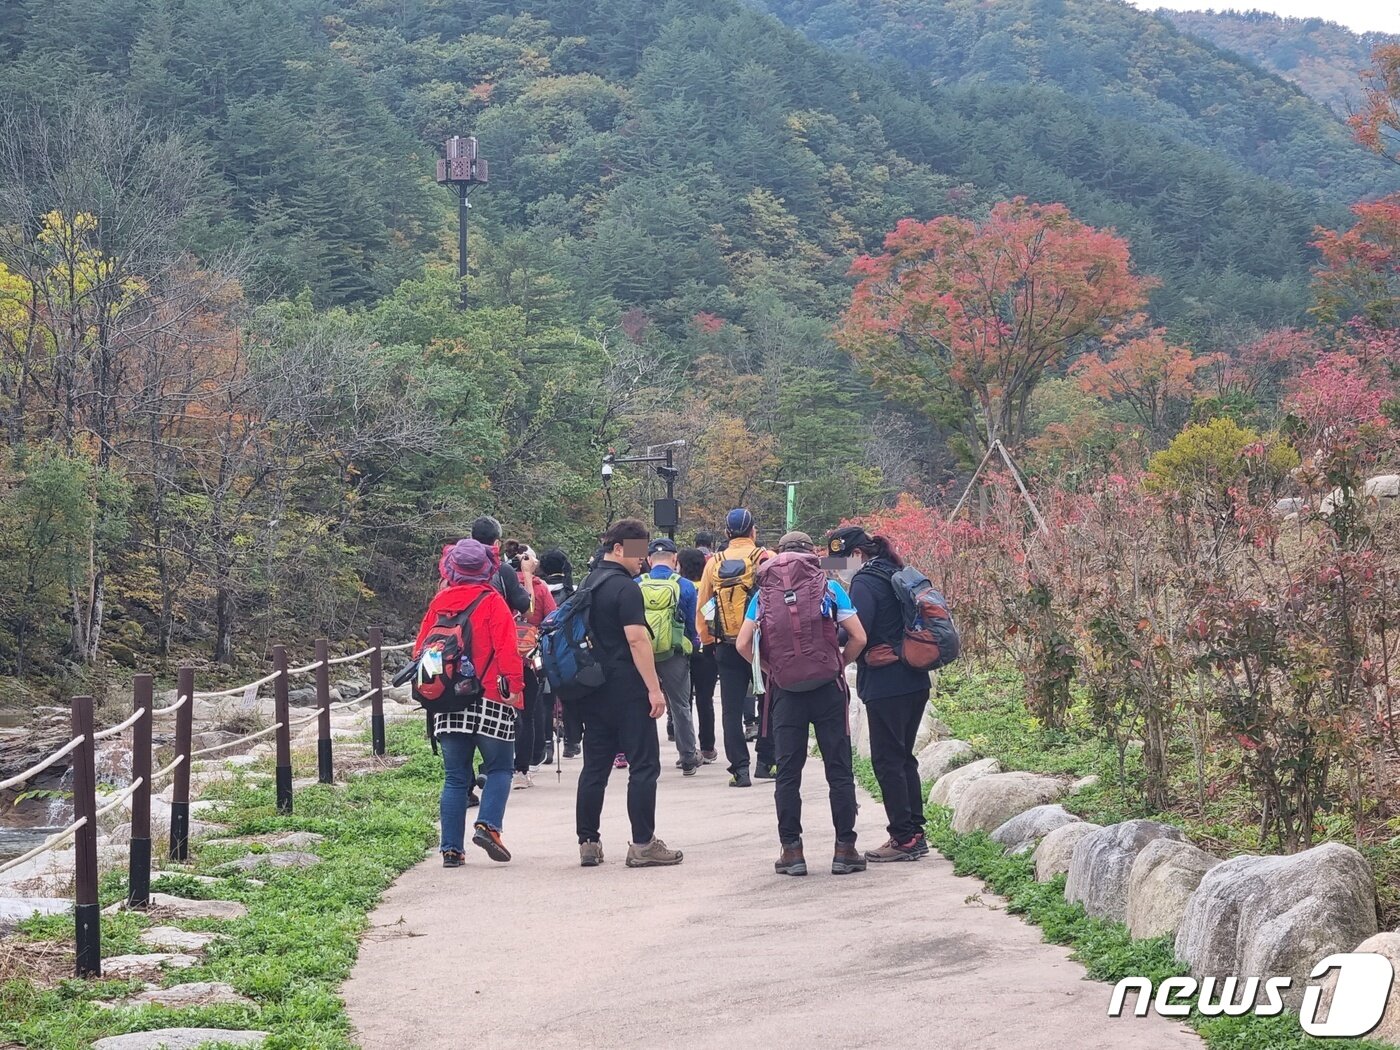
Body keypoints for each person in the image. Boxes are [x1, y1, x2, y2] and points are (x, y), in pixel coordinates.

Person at [736, 532, 867, 875]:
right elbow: (859, 637)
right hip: (828, 690)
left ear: (780, 556)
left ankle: (792, 852)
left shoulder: (764, 593)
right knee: (838, 770)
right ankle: (845, 849)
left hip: (786, 694)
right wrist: (840, 662)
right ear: (812, 555)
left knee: (788, 774)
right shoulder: (828, 585)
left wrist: (771, 670)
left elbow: (742, 643)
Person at [573, 518, 683, 868]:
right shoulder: (625, 588)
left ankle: (588, 842)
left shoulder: (587, 583)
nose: (643, 560)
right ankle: (642, 843)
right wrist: (655, 689)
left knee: (595, 767)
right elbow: (637, 639)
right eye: (637, 552)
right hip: (627, 688)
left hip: (592, 687)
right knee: (644, 765)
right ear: (618, 548)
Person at [413, 538, 525, 867]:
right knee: (501, 767)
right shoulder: (493, 601)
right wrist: (515, 689)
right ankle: (488, 825)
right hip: (490, 695)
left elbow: (420, 651)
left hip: (448, 702)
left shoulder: (438, 603)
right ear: (487, 569)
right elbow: (507, 651)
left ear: (452, 569)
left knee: (454, 777)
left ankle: (450, 849)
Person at [827, 526, 932, 862]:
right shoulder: (894, 572)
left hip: (887, 683)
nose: (840, 569)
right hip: (915, 678)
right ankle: (915, 832)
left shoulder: (864, 582)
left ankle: (903, 838)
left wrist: (830, 642)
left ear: (857, 555)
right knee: (904, 758)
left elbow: (859, 630)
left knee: (887, 760)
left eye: (841, 560)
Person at [696, 509, 774, 787]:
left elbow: (704, 605)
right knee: (768, 702)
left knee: (730, 709)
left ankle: (739, 769)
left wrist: (708, 640)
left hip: (726, 645)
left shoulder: (713, 563)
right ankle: (766, 762)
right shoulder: (766, 558)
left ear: (727, 534)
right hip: (761, 644)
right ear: (753, 531)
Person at [639, 537, 702, 775]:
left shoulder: (637, 583)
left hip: (642, 653)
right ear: (675, 559)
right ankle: (687, 757)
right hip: (673, 653)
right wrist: (692, 644)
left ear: (648, 560)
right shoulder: (684, 585)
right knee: (680, 705)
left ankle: (644, 757)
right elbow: (690, 625)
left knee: (642, 705)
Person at [505, 539, 556, 788]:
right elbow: (550, 617)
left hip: (501, 657)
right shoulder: (538, 586)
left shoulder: (499, 583)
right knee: (528, 712)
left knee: (507, 712)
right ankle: (523, 768)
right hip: (529, 656)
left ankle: (506, 764)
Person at [540, 549, 583, 759]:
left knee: (545, 698)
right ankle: (571, 741)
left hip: (542, 648)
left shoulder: (538, 589)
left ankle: (547, 744)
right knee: (568, 695)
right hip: (567, 649)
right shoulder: (573, 590)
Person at [678, 547, 718, 763]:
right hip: (705, 651)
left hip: (683, 651)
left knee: (683, 702)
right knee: (705, 699)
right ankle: (708, 747)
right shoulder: (705, 590)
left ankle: (687, 747)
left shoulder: (678, 589)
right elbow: (710, 622)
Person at [472, 515, 532, 616]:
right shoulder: (502, 570)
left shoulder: (454, 567)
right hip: (491, 628)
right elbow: (529, 612)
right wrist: (527, 573)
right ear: (496, 544)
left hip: (458, 629)